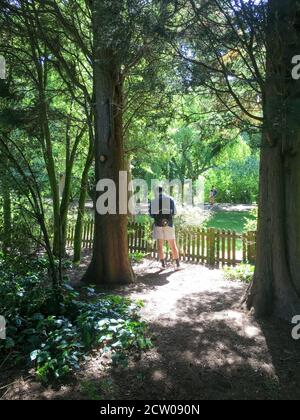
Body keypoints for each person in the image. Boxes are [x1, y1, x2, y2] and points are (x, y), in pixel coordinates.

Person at [149, 187, 180, 269]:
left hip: (158, 224)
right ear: (163, 191)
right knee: (173, 245)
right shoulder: (170, 199)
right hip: (169, 224)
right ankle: (177, 265)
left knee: (160, 245)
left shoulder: (153, 201)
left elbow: (151, 215)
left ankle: (163, 265)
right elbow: (174, 212)